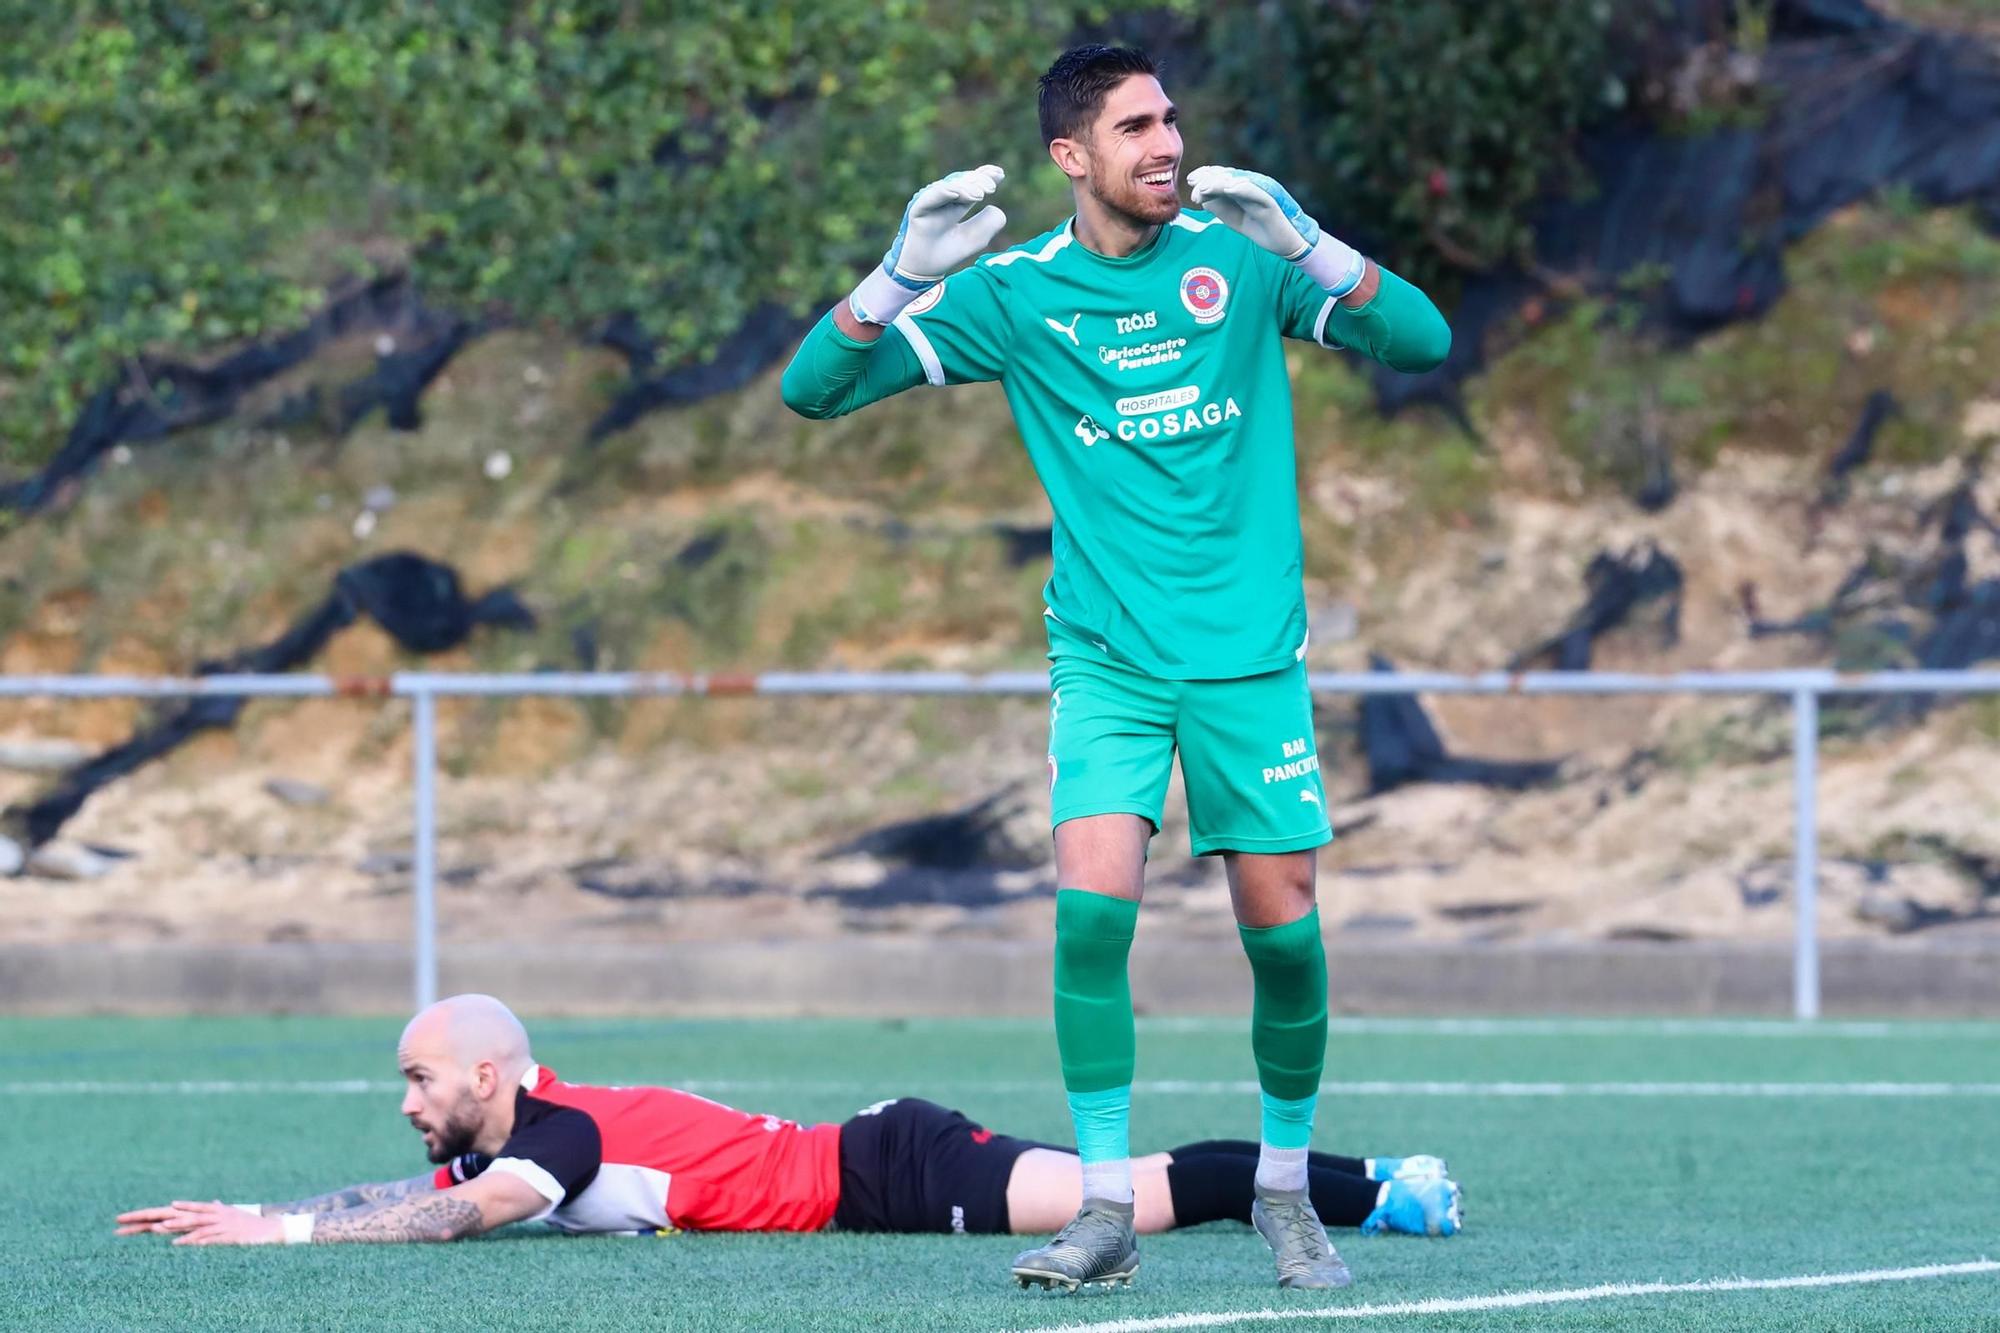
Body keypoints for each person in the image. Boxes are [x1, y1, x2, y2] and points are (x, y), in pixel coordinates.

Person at [778, 43, 1450, 1292]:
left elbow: (1420, 340)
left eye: (1169, 119)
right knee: (1090, 920)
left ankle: (1286, 1192)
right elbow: (811, 390)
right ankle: (1101, 1210)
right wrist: (892, 277)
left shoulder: (1241, 260)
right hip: (1106, 664)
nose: (1166, 145)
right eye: (1134, 127)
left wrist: (1311, 248)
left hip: (1250, 665)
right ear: (1068, 156)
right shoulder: (1015, 292)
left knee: (1284, 941)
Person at [115, 994, 1461, 1267]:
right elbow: (425, 1188)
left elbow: (465, 1217)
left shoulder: (559, 1136)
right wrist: (274, 1208)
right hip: (876, 1166)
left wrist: (283, 1235)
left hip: (891, 1172)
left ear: (488, 1073)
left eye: (419, 1080)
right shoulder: (513, 1133)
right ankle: (1381, 1183)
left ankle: (1385, 1188)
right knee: (1153, 1182)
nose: (410, 1105)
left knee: (1158, 1187)